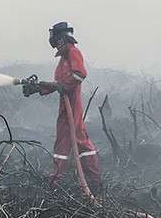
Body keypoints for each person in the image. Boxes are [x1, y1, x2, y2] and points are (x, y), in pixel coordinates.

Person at [24, 21, 102, 190]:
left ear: (60, 38)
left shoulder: (73, 53)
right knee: (67, 143)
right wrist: (38, 89)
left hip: (72, 105)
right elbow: (58, 83)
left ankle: (92, 182)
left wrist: (64, 86)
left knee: (76, 141)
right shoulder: (63, 59)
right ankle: (60, 180)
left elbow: (80, 74)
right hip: (65, 107)